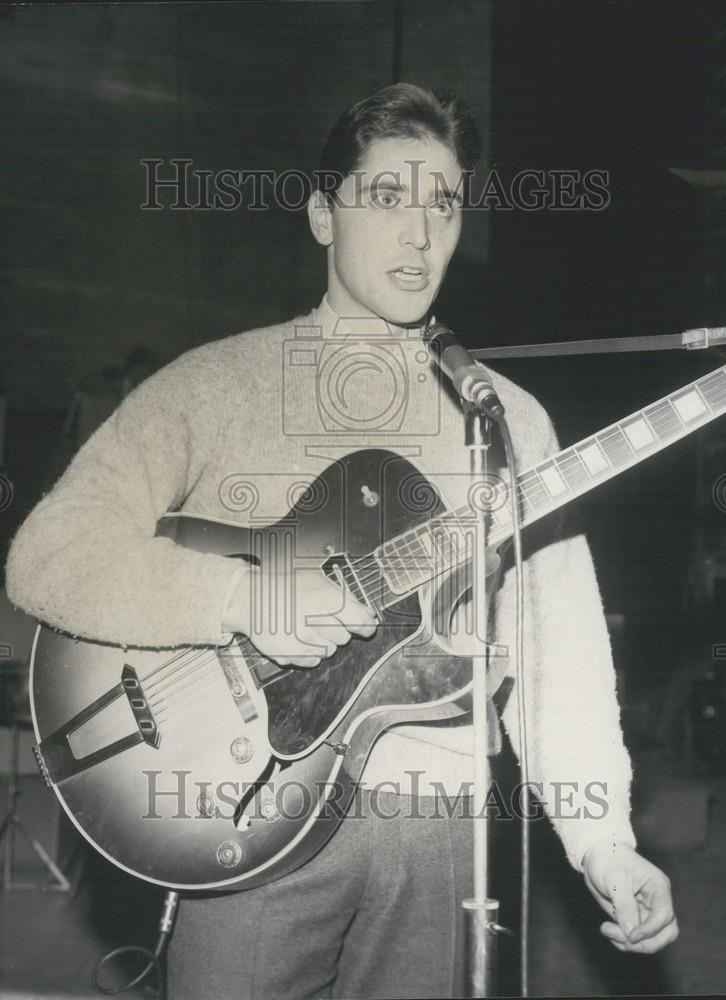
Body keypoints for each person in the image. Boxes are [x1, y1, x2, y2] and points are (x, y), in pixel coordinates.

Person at [5, 83, 678, 998]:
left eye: (444, 205)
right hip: (241, 816)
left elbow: (559, 653)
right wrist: (239, 600)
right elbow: (47, 553)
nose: (420, 233)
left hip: (441, 827)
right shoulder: (215, 385)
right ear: (324, 215)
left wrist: (604, 842)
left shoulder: (504, 419)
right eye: (387, 197)